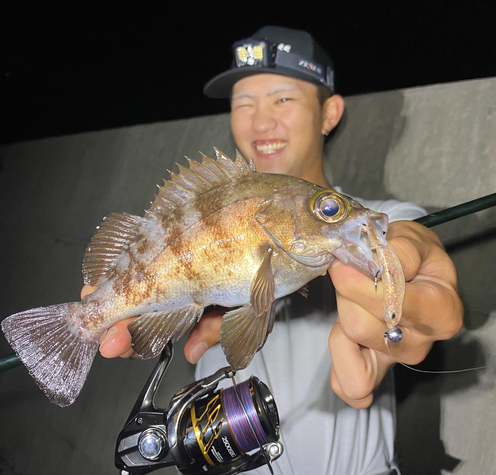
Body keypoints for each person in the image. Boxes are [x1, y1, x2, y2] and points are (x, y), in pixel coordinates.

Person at [82, 26, 463, 474]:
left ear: (329, 113)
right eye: (243, 103)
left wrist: (401, 316)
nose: (261, 121)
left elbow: (411, 243)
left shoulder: (385, 214)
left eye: (283, 99)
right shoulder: (207, 219)